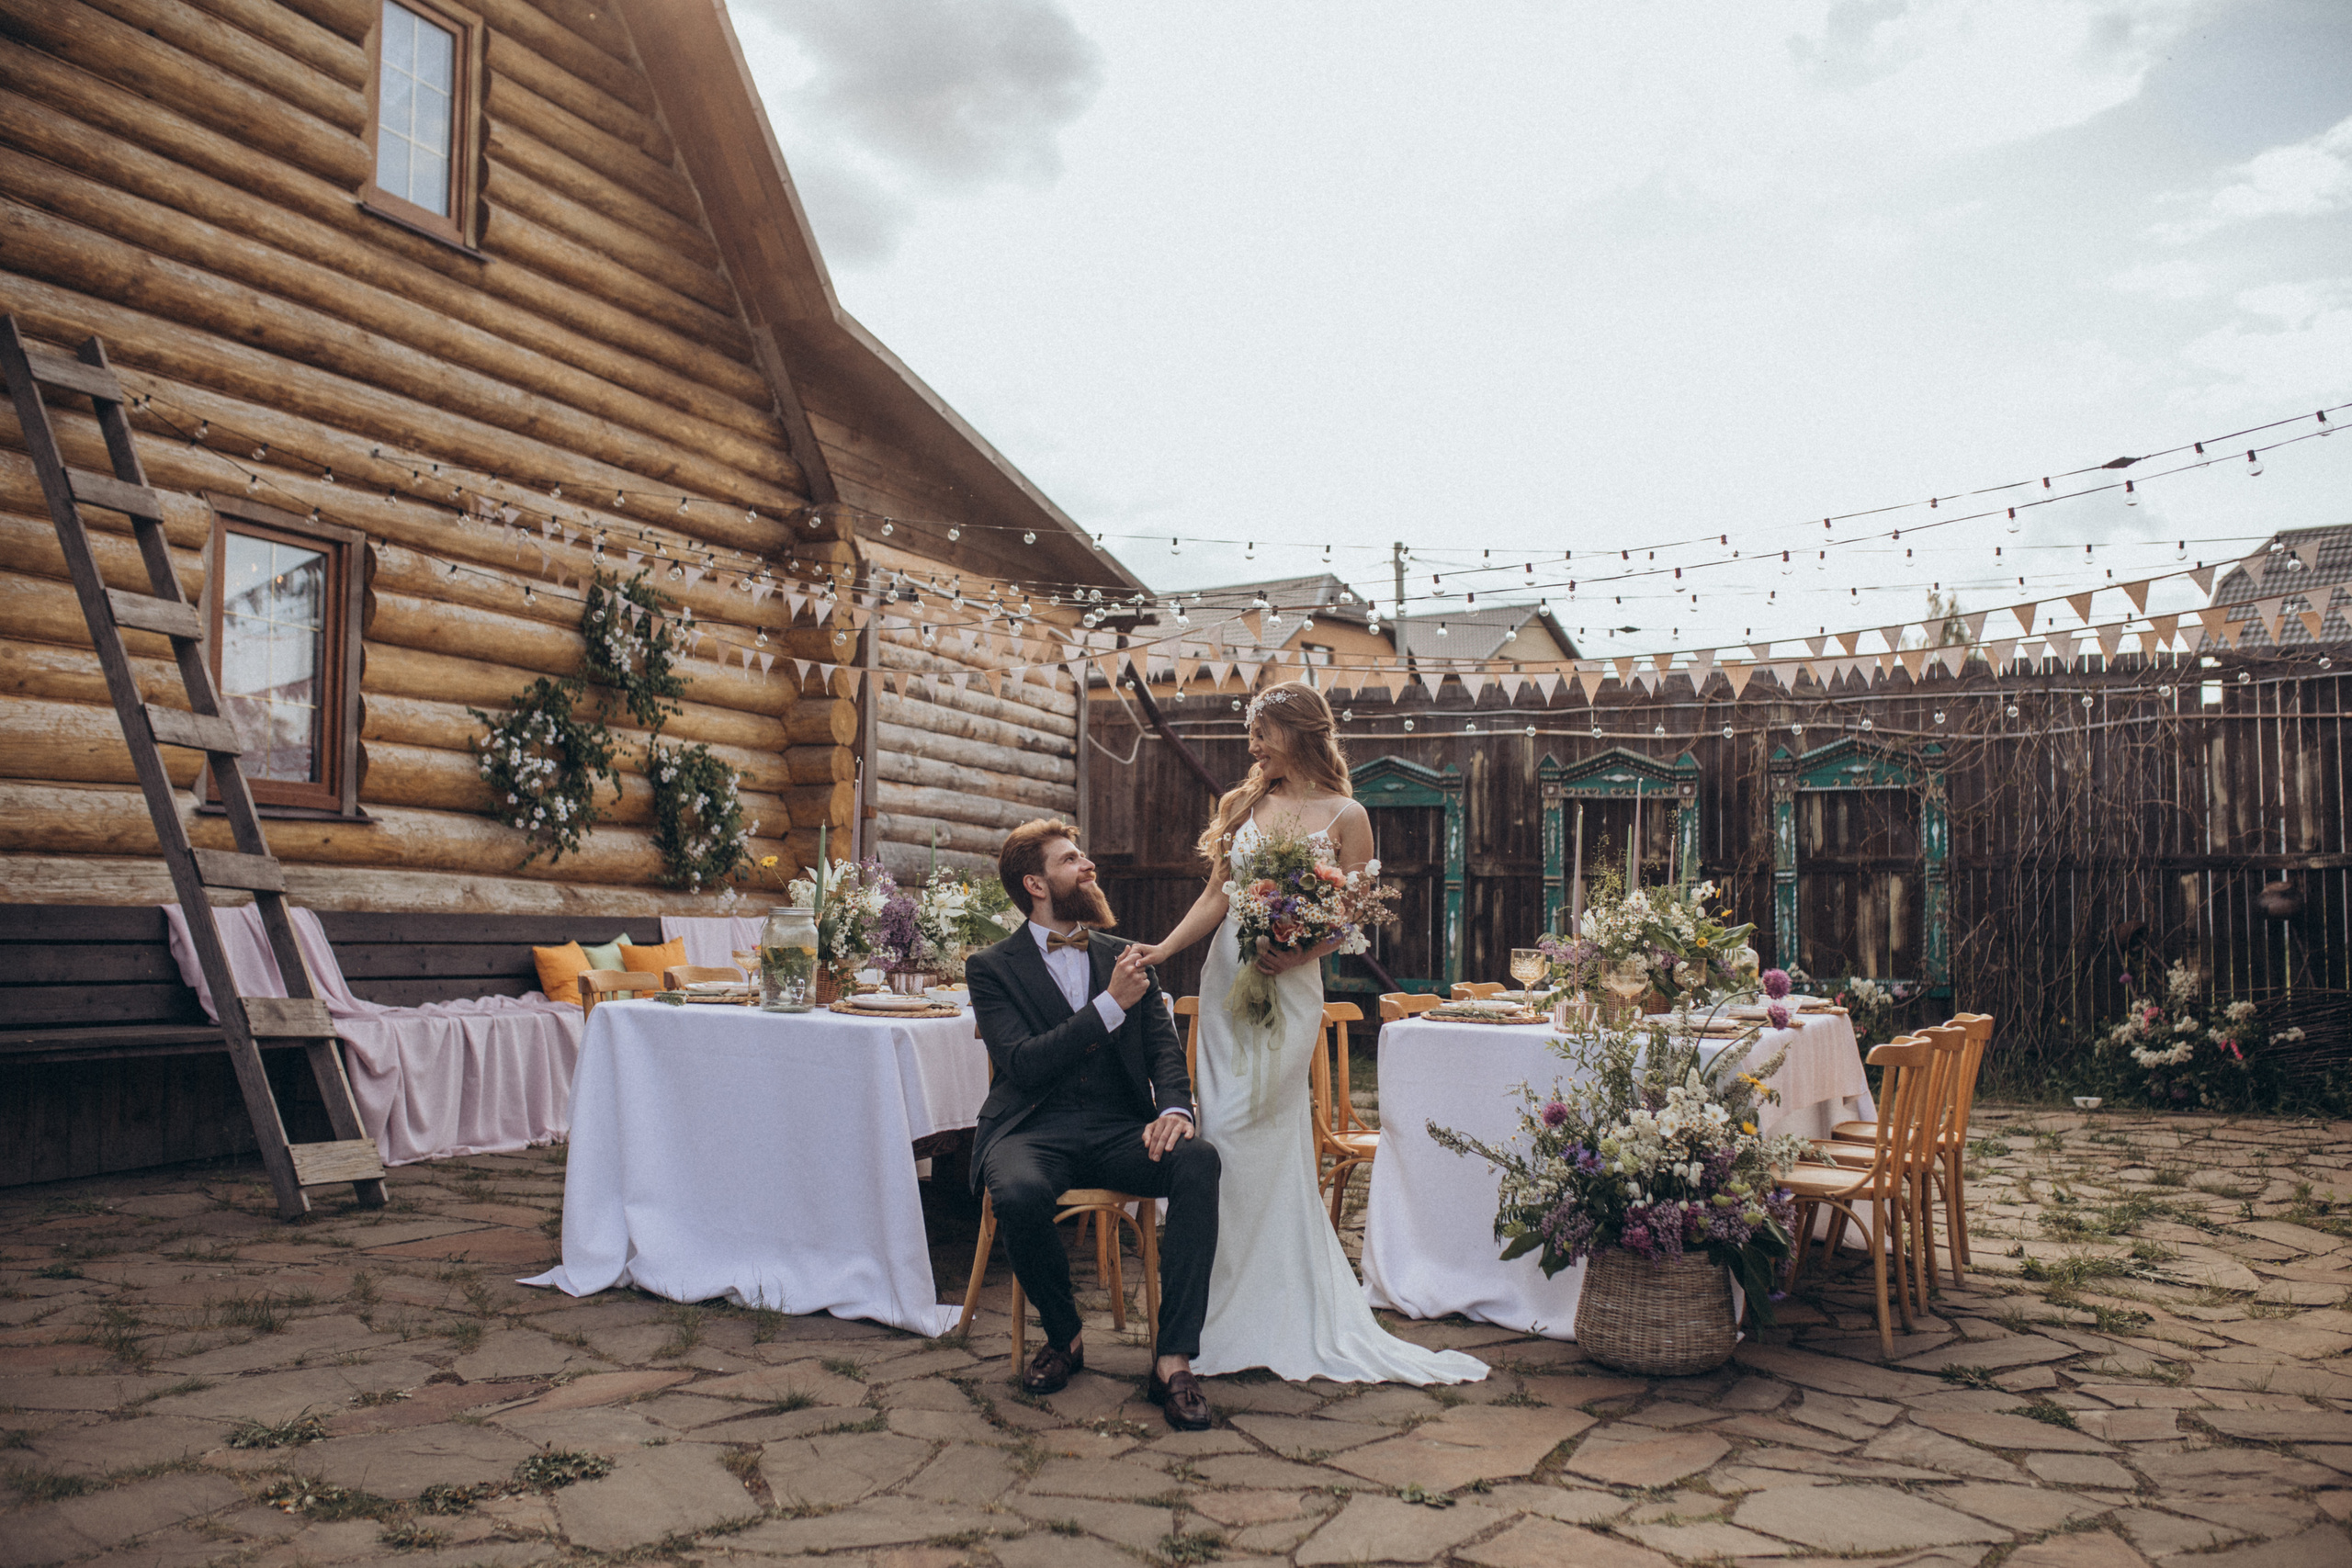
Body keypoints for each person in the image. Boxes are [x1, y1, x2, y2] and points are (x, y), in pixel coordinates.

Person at [1131, 682, 1486, 1386]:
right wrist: (1164, 950)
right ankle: (1215, 1307)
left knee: (1258, 1129)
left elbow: (1351, 916)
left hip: (1290, 989)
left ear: (1297, 733)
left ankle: (1276, 1302)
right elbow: (1217, 895)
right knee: (1222, 1134)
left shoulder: (1348, 815)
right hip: (1228, 984)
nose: (1253, 746)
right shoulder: (1243, 805)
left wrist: (1298, 951)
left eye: (1261, 732)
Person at [967, 819, 1222, 1430]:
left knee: (1198, 1161)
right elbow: (1023, 1063)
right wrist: (1109, 1005)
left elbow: (1163, 1048)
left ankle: (1173, 1358)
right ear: (1035, 884)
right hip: (1031, 1128)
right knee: (1018, 1191)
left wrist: (1174, 1110)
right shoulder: (991, 967)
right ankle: (1065, 1336)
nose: (1089, 866)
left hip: (1117, 1129)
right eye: (1070, 859)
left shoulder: (1126, 956)